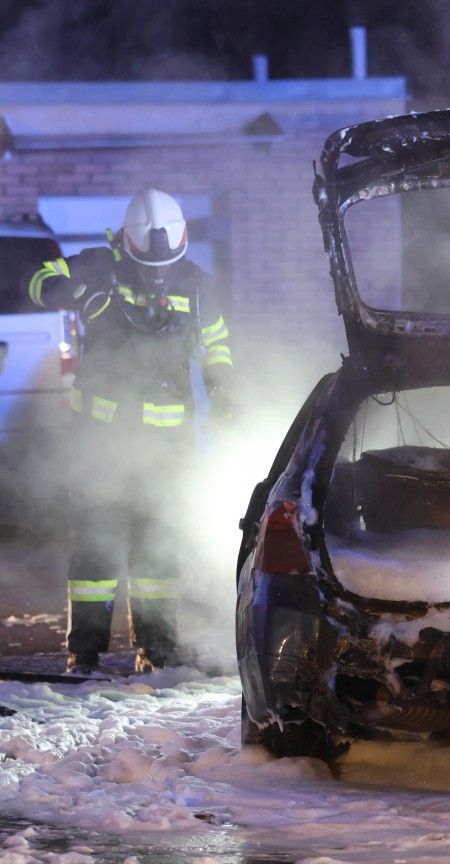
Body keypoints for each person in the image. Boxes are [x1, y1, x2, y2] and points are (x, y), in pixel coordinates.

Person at [27, 189, 234, 675]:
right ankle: (86, 652)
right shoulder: (98, 267)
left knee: (157, 548)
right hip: (101, 443)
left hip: (166, 449)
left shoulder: (198, 286)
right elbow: (39, 278)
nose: (159, 272)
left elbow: (217, 344)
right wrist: (64, 290)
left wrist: (225, 392)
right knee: (96, 548)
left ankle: (158, 649)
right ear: (129, 243)